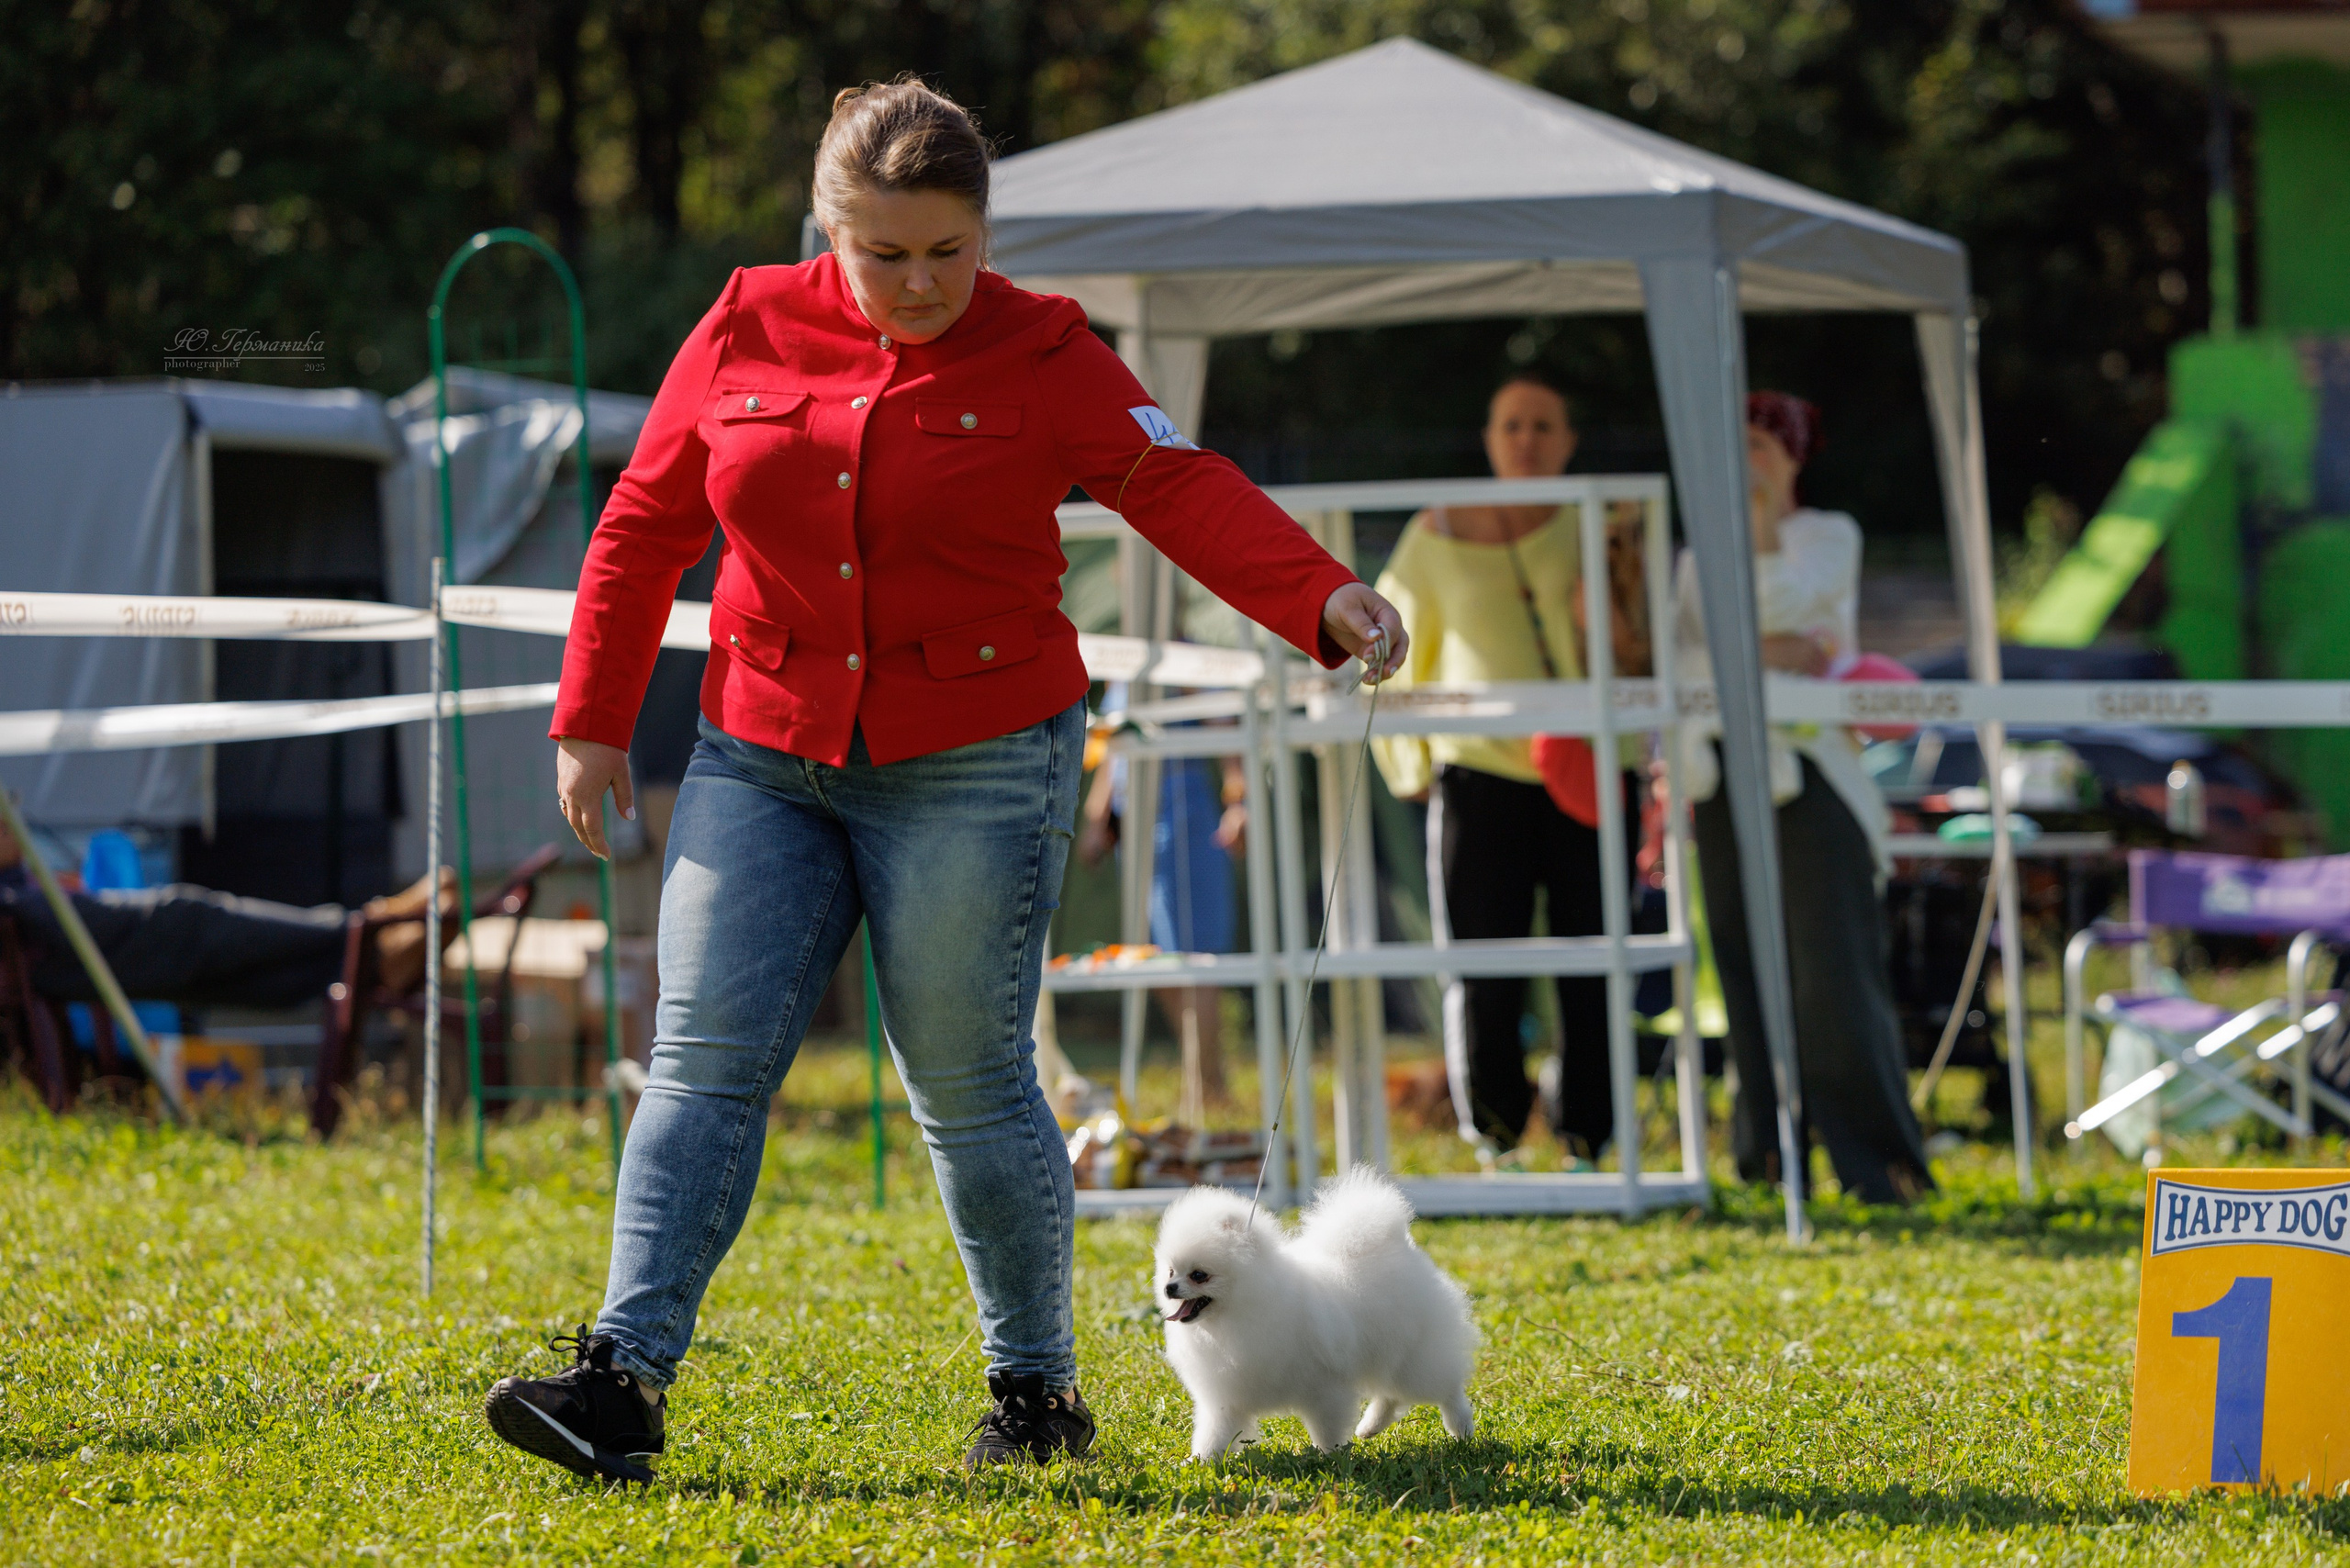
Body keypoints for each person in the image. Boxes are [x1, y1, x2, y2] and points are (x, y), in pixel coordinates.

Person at [483, 77, 1405, 1482]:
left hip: (978, 756)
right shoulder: (742, 320)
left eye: (947, 253)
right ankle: (622, 1381)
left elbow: (1176, 484)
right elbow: (642, 520)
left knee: (968, 1083)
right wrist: (592, 715)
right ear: (826, 229)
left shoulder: (1044, 349)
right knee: (700, 1059)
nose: (919, 284)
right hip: (762, 745)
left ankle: (1035, 1395)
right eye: (884, 254)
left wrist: (1321, 595)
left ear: (986, 234)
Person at [1673, 391, 1933, 1204]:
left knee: (1832, 980)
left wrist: (1755, 525)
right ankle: (1768, 1161)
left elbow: (1795, 617)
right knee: (1744, 971)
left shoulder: (1830, 536)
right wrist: (1765, 652)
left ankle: (1878, 1167)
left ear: (1792, 453)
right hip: (1721, 775)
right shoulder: (1692, 560)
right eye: (1737, 445)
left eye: (1763, 445)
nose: (1748, 459)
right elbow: (1689, 665)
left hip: (1813, 780)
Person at [1369, 373, 1632, 1164]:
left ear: (1568, 441)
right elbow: (1389, 646)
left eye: (1543, 424)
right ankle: (1498, 1135)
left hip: (1587, 774)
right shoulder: (1434, 530)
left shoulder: (1605, 521)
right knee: (1482, 968)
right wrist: (1405, 763)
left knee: (1597, 960)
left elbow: (1642, 644)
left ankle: (1591, 1134)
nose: (1526, 438)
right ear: (1488, 437)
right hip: (1477, 779)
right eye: (1512, 423)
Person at [0, 804, 453, 1008]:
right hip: (41, 942)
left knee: (224, 971)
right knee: (185, 918)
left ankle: (368, 960)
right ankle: (364, 929)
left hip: (50, 931)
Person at [1076, 687, 1248, 1111]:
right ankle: (1205, 1081)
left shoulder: (1190, 666)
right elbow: (1111, 752)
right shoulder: (1122, 675)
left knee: (1193, 959)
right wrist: (1098, 819)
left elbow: (1229, 741)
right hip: (1135, 822)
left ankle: (1209, 1088)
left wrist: (1239, 802)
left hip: (1184, 814)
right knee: (1152, 961)